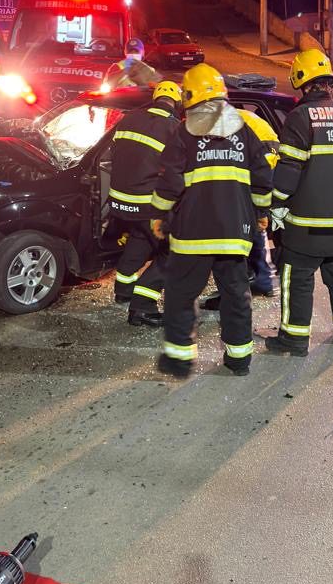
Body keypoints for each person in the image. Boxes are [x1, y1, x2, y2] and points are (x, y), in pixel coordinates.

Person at [151, 63, 273, 378]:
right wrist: (260, 214)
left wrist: (160, 215)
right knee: (236, 294)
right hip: (234, 232)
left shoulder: (183, 133)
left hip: (193, 232)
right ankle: (239, 359)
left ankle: (178, 360)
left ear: (190, 96)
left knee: (180, 293)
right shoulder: (244, 130)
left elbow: (170, 183)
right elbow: (262, 178)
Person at [266, 47, 333, 356]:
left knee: (296, 278)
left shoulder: (298, 118)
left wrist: (275, 205)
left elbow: (288, 171)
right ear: (328, 81)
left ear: (301, 80)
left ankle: (295, 338)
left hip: (305, 228)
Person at [109, 80, 183, 327]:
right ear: (176, 103)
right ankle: (143, 305)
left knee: (140, 240)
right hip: (147, 203)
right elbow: (176, 171)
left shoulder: (128, 119)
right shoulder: (173, 128)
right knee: (172, 253)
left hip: (120, 201)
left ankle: (123, 290)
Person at [202, 108, 279, 308]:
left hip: (259, 153)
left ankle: (242, 285)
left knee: (240, 224)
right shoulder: (236, 114)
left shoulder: (215, 119)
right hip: (271, 151)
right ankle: (264, 280)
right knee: (253, 222)